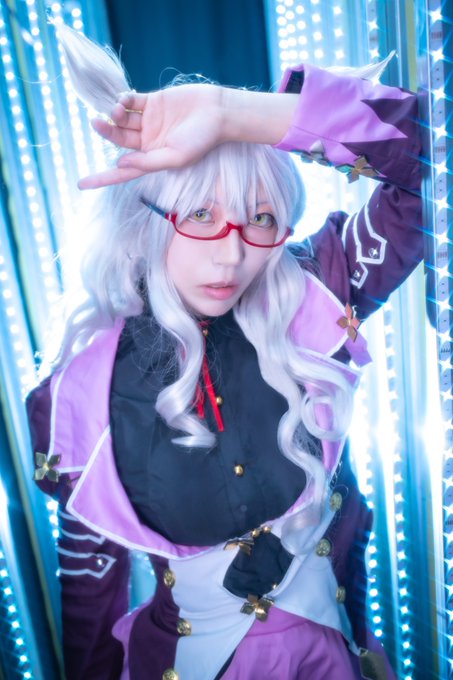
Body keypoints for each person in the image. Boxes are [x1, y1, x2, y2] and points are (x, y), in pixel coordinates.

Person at [26, 24, 423, 680]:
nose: (232, 254)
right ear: (143, 217)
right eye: (200, 215)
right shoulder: (80, 398)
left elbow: (431, 159)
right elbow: (89, 603)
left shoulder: (317, 288)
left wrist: (235, 113)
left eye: (259, 218)